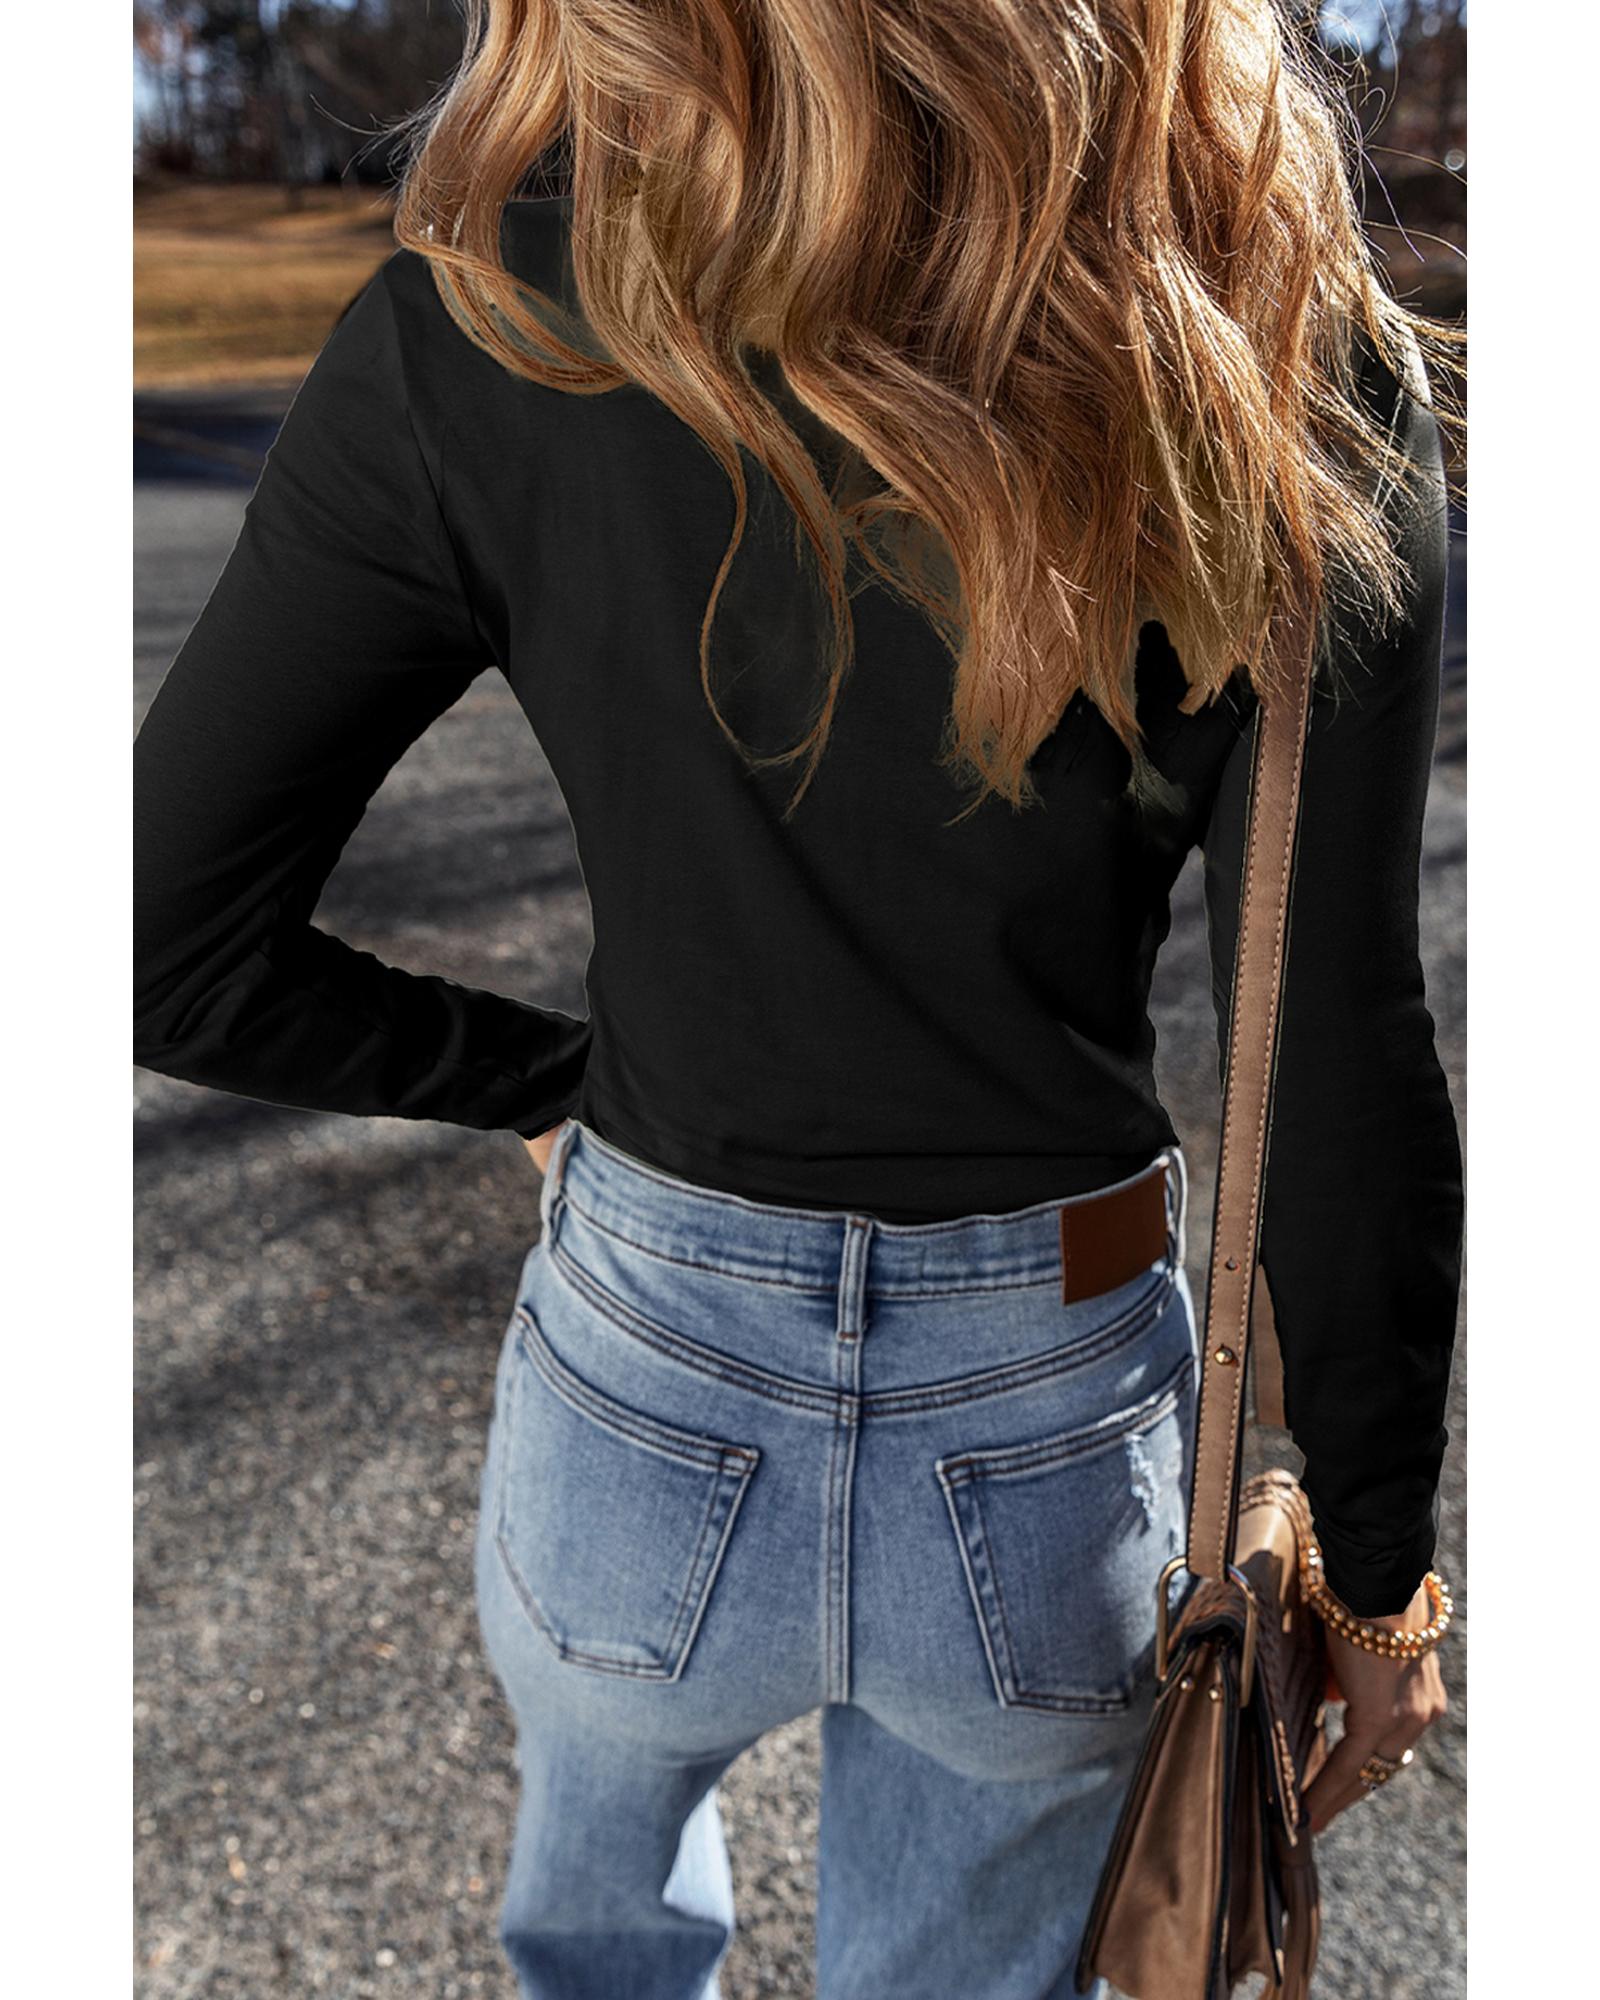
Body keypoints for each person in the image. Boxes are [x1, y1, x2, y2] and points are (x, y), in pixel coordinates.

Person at [132, 3, 1465, 1994]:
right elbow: (1346, 1043)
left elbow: (160, 945)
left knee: (595, 1940)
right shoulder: (1282, 357)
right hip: (1049, 1412)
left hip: (641, 1363)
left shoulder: (492, 330)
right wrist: (1375, 1573)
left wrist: (545, 1081)